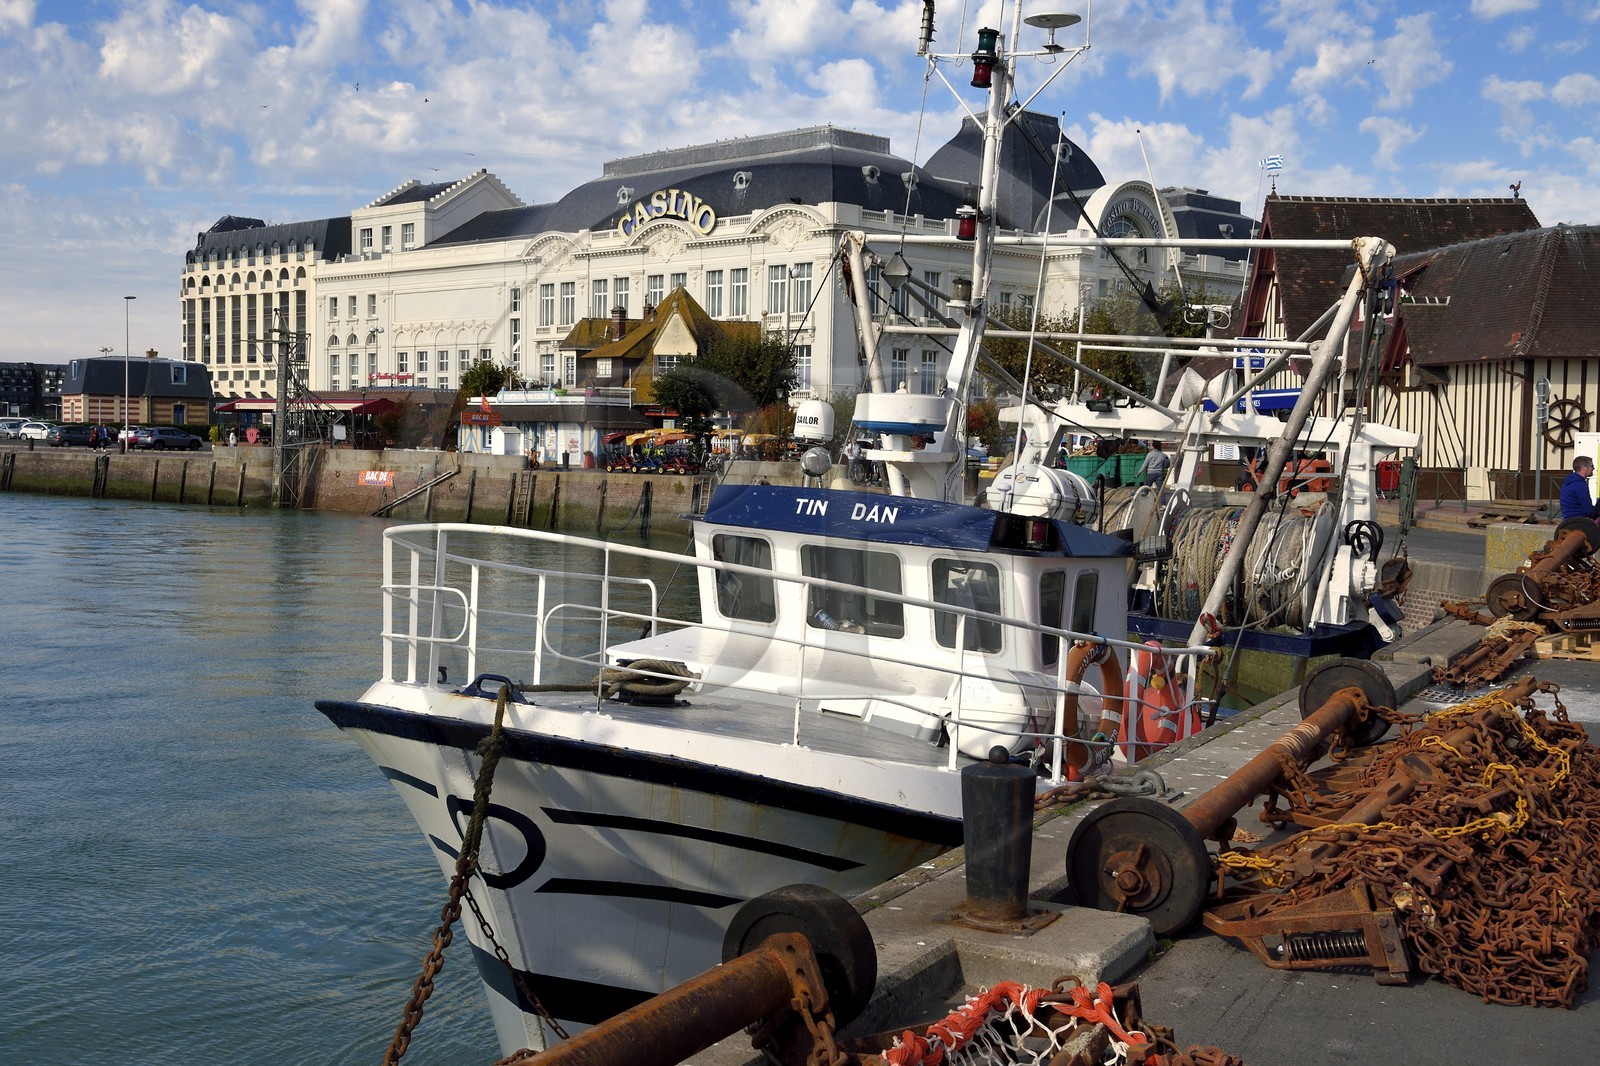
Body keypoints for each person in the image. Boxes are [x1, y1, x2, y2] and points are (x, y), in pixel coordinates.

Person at [1560, 455, 1599, 519]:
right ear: (1584, 468)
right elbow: (1589, 510)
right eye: (1592, 466)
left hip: (1567, 521)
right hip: (1580, 522)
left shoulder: (1568, 482)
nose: (1593, 468)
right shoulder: (1580, 485)